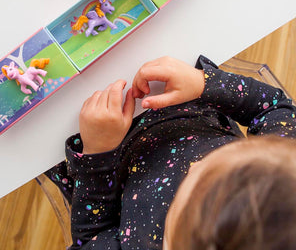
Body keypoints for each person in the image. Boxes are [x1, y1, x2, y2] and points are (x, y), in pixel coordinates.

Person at [46, 55, 296, 250]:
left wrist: (98, 152)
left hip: (98, 145)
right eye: (216, 159)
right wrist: (204, 83)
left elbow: (89, 239)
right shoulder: (279, 176)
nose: (195, 165)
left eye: (194, 182)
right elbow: (275, 108)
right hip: (183, 95)